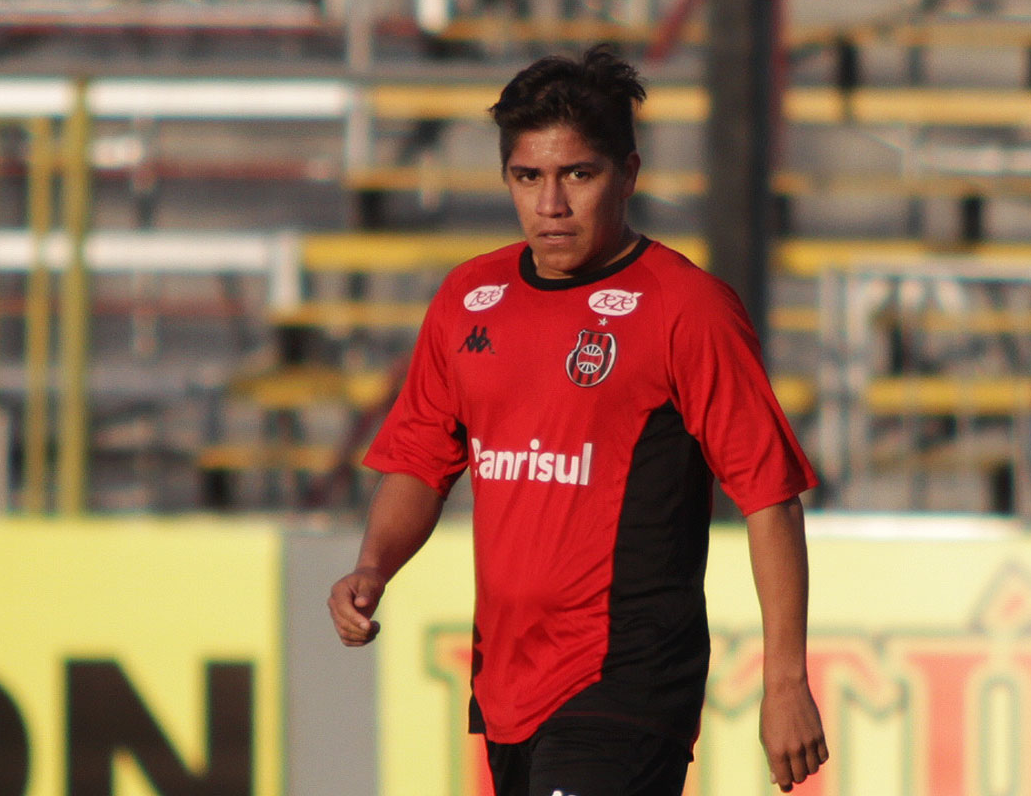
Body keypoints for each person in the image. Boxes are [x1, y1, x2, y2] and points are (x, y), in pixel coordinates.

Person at [327, 44, 828, 795]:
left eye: (577, 175)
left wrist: (785, 680)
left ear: (627, 174)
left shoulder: (685, 309)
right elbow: (420, 461)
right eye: (528, 177)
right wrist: (373, 566)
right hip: (505, 685)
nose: (551, 204)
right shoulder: (469, 297)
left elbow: (769, 497)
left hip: (625, 683)